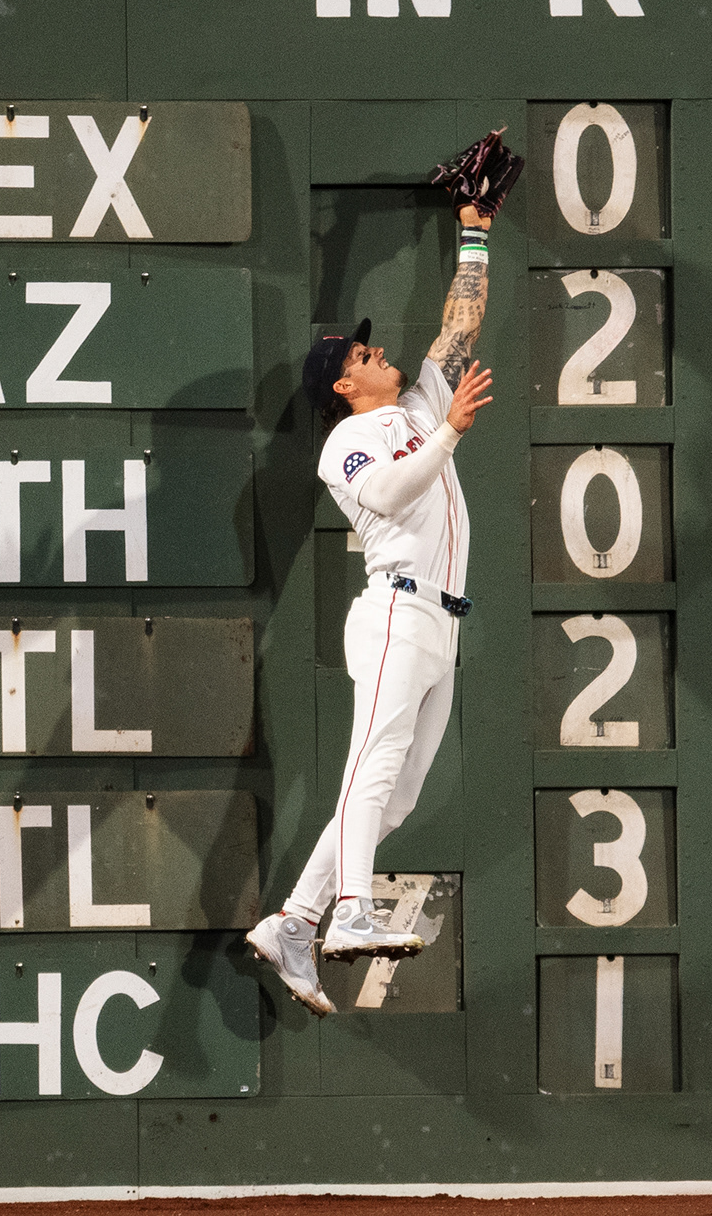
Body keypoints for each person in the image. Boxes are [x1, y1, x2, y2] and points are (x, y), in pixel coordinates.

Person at [247, 202, 496, 1017]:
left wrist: (475, 229)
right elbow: (390, 492)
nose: (377, 350)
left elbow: (460, 325)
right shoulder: (345, 443)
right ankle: (351, 910)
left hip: (442, 623)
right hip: (393, 614)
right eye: (362, 353)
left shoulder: (421, 403)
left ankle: (294, 923)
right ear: (345, 385)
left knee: (399, 795)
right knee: (372, 764)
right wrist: (449, 434)